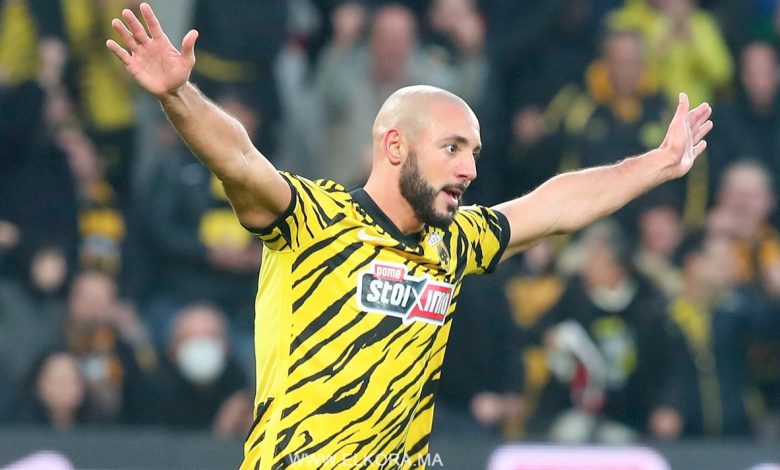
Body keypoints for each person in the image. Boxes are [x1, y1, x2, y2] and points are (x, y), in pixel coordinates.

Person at [106, 4, 712, 468]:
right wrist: (178, 95)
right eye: (452, 148)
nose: (469, 169)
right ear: (395, 146)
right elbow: (239, 158)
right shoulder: (315, 219)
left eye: (474, 153)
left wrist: (657, 164)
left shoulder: (455, 242)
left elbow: (555, 206)